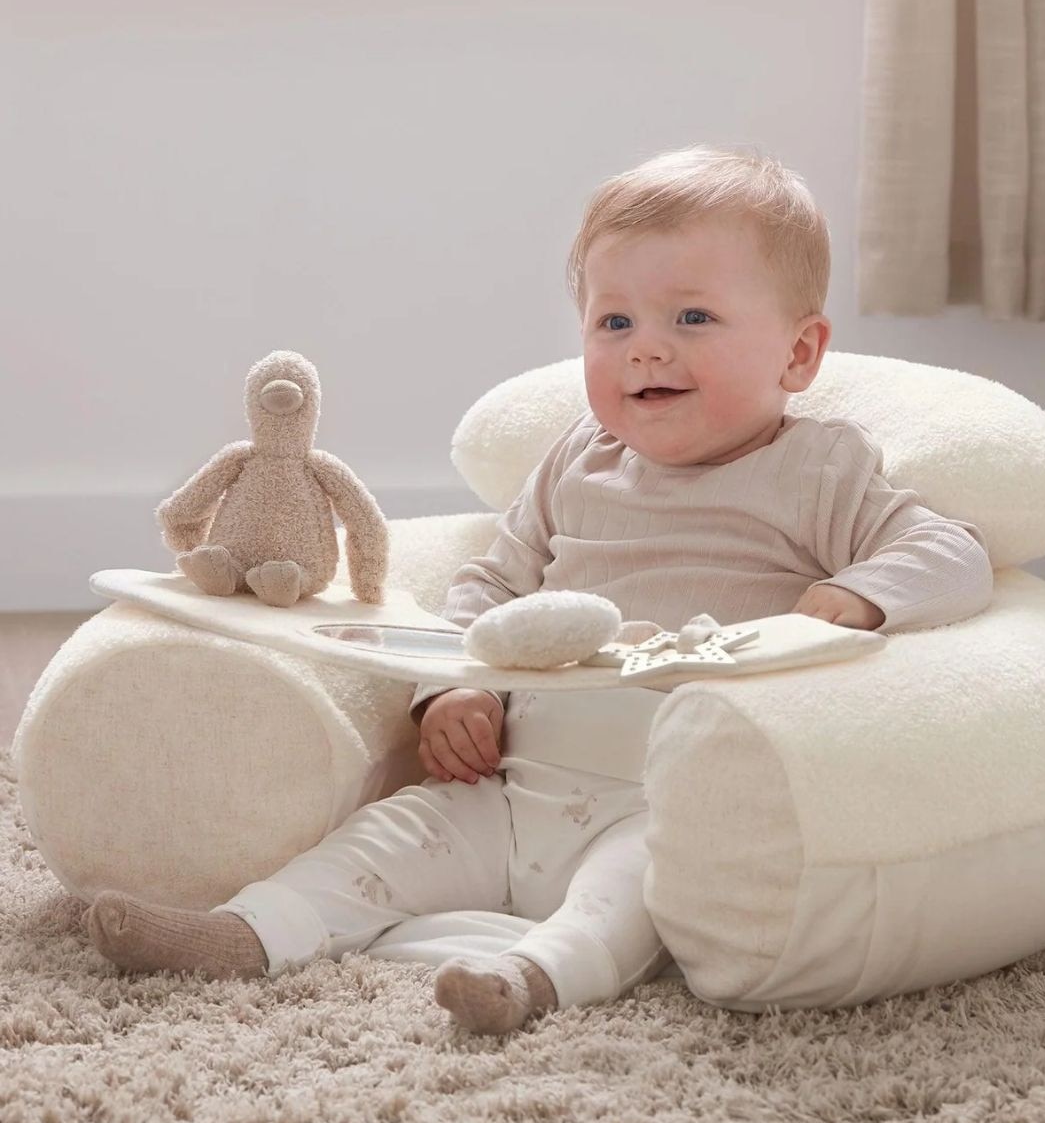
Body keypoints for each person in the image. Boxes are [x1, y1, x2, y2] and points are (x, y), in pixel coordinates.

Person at [83, 145, 993, 1033]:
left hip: (668, 800)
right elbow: (488, 584)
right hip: (511, 780)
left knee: (638, 891)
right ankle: (244, 932)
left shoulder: (817, 470)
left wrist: (858, 596)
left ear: (798, 353)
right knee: (386, 839)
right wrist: (454, 691)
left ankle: (529, 978)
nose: (647, 350)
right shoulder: (576, 461)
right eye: (615, 322)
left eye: (693, 318)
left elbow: (950, 552)